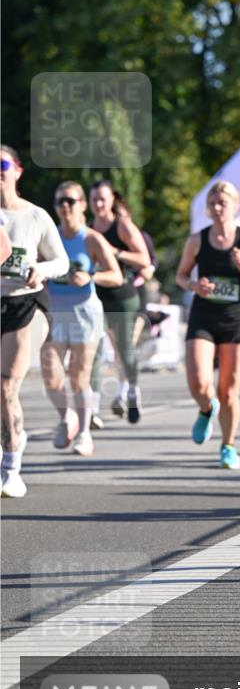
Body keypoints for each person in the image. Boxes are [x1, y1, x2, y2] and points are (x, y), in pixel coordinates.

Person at [176, 181, 240, 469]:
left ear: (235, 206)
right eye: (212, 204)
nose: (216, 209)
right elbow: (180, 276)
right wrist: (193, 284)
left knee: (228, 391)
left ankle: (228, 446)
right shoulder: (197, 240)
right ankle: (206, 408)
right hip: (203, 316)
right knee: (198, 381)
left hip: (235, 320)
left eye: (222, 203)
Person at [1, 145, 69, 498]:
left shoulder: (35, 216)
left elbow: (62, 262)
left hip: (27, 302)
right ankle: (10, 438)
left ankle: (11, 468)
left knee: (8, 383)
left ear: (17, 171)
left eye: (2, 163)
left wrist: (40, 269)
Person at [40, 183, 123, 456]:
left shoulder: (91, 239)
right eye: (59, 201)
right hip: (54, 312)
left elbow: (116, 275)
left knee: (78, 377)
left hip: (84, 312)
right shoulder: (49, 237)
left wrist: (91, 276)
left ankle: (85, 434)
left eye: (71, 201)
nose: (65, 206)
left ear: (82, 205)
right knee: (51, 377)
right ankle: (68, 417)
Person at [89, 180, 151, 424]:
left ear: (112, 200)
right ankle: (92, 408)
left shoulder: (122, 225)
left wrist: (114, 252)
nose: (99, 204)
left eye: (103, 199)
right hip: (95, 298)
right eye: (94, 200)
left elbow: (144, 259)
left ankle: (132, 391)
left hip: (123, 297)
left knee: (124, 350)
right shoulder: (89, 229)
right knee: (93, 350)